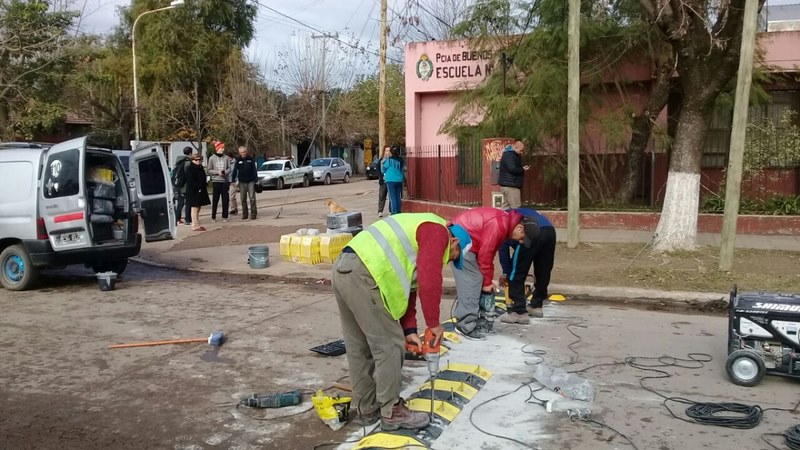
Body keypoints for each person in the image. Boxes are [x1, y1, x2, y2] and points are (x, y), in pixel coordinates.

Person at [332, 213, 462, 431]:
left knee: (359, 346)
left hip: (344, 267)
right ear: (454, 241)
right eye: (453, 257)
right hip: (366, 272)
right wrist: (433, 323)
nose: (448, 260)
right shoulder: (437, 231)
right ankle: (392, 412)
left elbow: (412, 283)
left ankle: (367, 407)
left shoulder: (418, 226)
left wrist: (409, 328)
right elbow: (429, 280)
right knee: (390, 345)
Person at [449, 207, 538, 340]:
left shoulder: (504, 223)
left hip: (466, 239)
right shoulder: (499, 225)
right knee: (473, 281)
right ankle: (465, 326)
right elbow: (485, 254)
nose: (520, 241)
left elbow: (488, 255)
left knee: (477, 279)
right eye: (522, 238)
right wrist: (486, 283)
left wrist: (487, 280)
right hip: (460, 241)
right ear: (519, 228)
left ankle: (473, 321)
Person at [499, 208, 556, 322]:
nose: (520, 241)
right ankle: (536, 305)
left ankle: (518, 311)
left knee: (517, 271)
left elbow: (503, 249)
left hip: (530, 230)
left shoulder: (505, 222)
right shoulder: (519, 212)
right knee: (543, 270)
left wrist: (506, 271)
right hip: (550, 231)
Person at [498, 140, 529, 208]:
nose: (521, 152)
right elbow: (512, 169)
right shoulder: (510, 155)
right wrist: (522, 169)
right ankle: (513, 219)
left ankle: (502, 218)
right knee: (516, 207)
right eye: (521, 150)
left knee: (506, 207)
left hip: (508, 184)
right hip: (511, 185)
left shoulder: (510, 154)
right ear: (515, 147)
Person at [231, 146, 258, 220]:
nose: (243, 153)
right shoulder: (238, 160)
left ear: (246, 151)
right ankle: (245, 213)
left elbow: (254, 170)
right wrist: (233, 180)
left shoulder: (251, 159)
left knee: (252, 198)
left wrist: (256, 179)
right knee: (243, 198)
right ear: (239, 153)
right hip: (242, 181)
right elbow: (235, 170)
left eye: (244, 152)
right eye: (242, 152)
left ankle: (253, 213)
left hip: (251, 181)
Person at [207, 141, 231, 223]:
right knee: (215, 199)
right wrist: (217, 172)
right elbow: (209, 169)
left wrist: (225, 172)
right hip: (216, 180)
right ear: (217, 149)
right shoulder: (212, 158)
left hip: (224, 180)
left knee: (225, 199)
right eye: (221, 148)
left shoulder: (226, 158)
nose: (223, 149)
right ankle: (213, 216)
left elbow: (229, 168)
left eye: (223, 148)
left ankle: (225, 216)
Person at [185, 153, 210, 231]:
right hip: (193, 191)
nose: (199, 161)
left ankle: (196, 223)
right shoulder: (190, 168)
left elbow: (202, 177)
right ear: (192, 160)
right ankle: (195, 225)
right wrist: (197, 188)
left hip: (200, 189)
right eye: (196, 160)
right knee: (194, 207)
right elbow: (191, 181)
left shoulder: (200, 167)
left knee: (198, 207)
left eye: (200, 159)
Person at [173, 146, 192, 226]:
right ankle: (188, 219)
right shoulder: (188, 163)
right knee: (188, 202)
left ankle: (177, 219)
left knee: (180, 203)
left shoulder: (178, 161)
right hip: (185, 185)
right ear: (190, 153)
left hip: (177, 184)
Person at [381, 146, 404, 214]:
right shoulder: (401, 160)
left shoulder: (389, 160)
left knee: (392, 197)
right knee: (398, 196)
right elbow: (402, 169)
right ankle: (399, 210)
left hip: (390, 180)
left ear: (391, 152)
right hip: (399, 180)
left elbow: (383, 169)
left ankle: (394, 212)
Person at [377, 146, 390, 217]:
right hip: (383, 181)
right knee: (382, 196)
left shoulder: (391, 160)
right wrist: (381, 177)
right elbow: (378, 170)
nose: (388, 152)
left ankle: (390, 210)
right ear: (384, 152)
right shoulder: (381, 160)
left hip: (390, 180)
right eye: (386, 151)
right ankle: (380, 210)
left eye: (389, 151)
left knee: (391, 196)